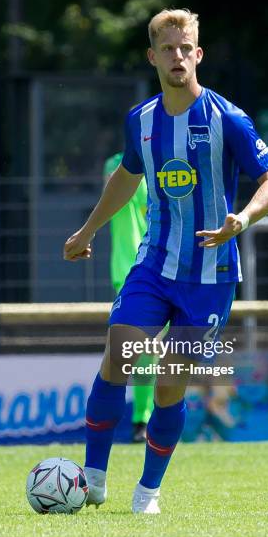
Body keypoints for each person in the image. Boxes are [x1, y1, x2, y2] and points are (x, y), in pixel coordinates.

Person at [64, 8, 268, 514]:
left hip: (210, 277)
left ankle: (147, 492)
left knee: (169, 383)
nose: (178, 56)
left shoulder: (227, 117)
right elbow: (126, 177)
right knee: (118, 355)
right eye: (168, 48)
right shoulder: (140, 122)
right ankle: (93, 479)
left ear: (199, 54)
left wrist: (244, 218)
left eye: (186, 47)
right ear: (153, 56)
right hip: (154, 267)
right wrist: (87, 230)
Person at [103, 152, 155, 442]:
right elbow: (113, 188)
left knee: (152, 351)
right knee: (141, 347)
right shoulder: (118, 163)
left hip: (164, 267)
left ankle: (146, 419)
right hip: (130, 268)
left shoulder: (172, 160)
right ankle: (141, 420)